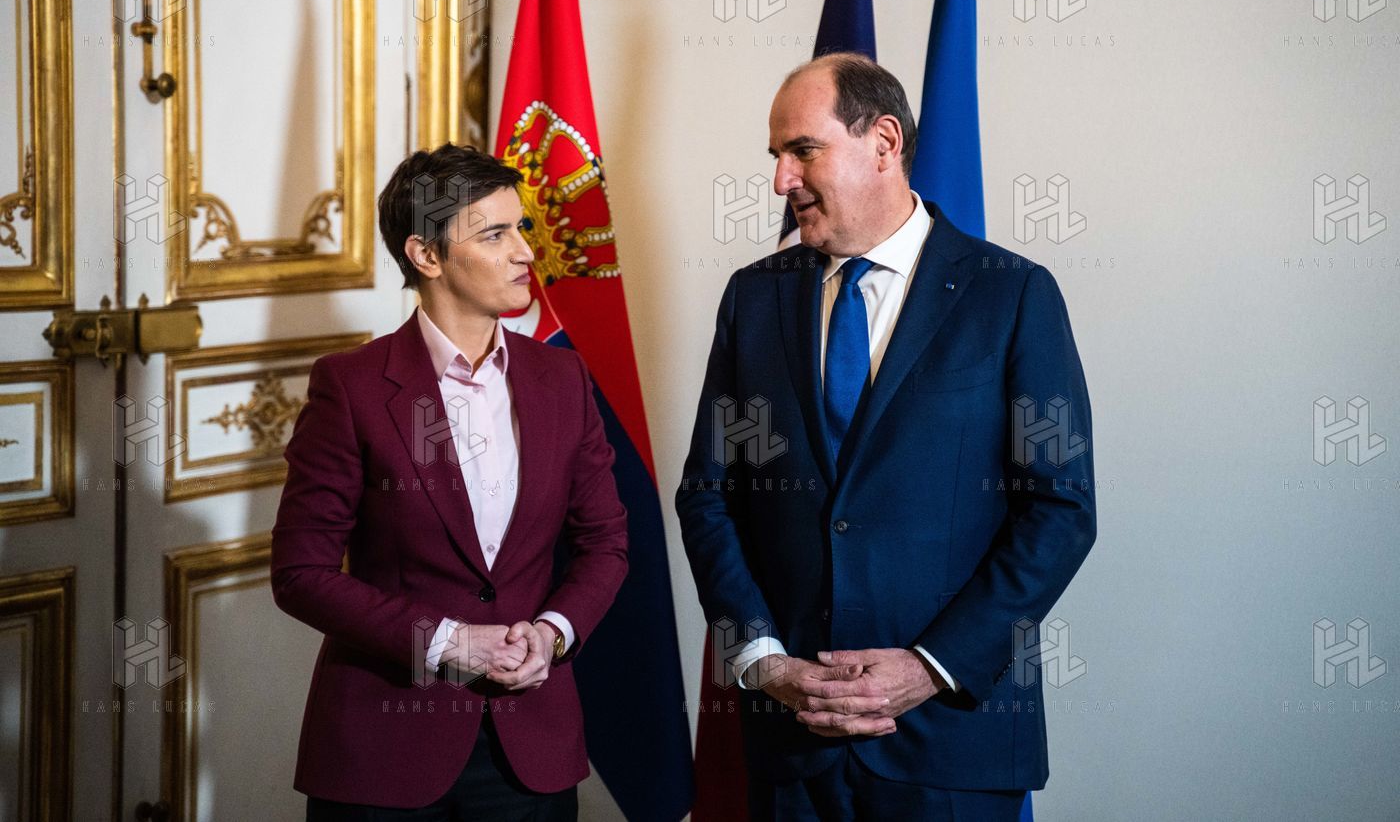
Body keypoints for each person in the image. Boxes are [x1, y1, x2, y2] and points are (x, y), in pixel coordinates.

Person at [676, 53, 1096, 820]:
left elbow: (1060, 508)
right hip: (793, 741)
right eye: (776, 155)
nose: (781, 180)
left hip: (952, 743)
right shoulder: (753, 300)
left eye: (802, 150)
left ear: (884, 142)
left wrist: (930, 666)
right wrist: (762, 658)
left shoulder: (1012, 296)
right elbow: (709, 496)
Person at [272, 143, 628, 820]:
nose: (526, 251)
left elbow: (605, 542)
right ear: (426, 256)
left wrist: (553, 632)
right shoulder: (350, 387)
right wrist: (447, 640)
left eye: (522, 228)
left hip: (531, 746)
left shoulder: (563, 377)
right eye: (495, 234)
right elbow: (300, 573)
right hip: (385, 750)